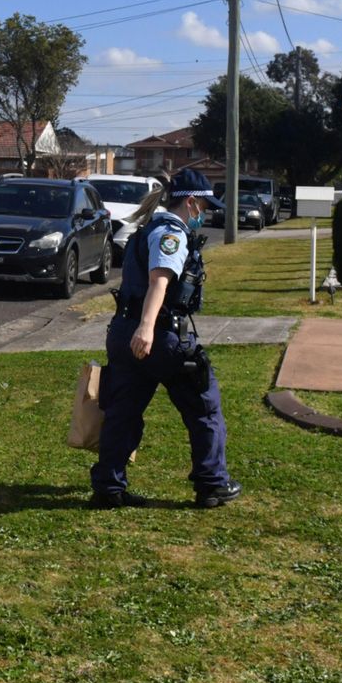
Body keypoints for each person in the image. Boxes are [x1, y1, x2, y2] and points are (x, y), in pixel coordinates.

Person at [90, 168, 243, 510]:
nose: (205, 213)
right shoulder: (170, 233)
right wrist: (147, 327)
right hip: (159, 336)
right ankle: (212, 483)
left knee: (123, 411)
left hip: (124, 333)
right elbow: (160, 280)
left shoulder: (148, 228)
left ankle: (108, 486)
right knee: (205, 406)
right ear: (190, 202)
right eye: (204, 206)